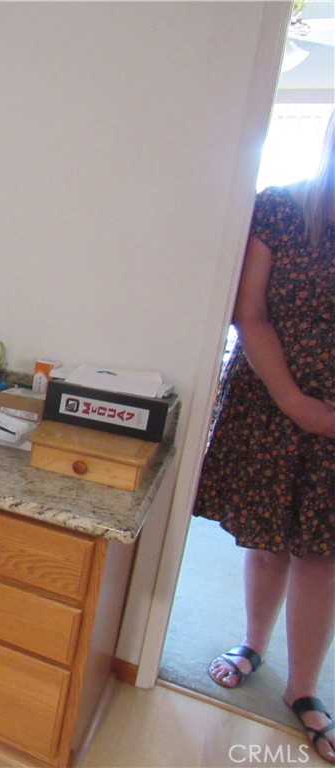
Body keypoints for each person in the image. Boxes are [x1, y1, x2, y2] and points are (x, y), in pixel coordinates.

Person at [193, 111, 335, 764]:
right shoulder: (279, 209)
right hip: (271, 400)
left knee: (323, 552)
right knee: (268, 538)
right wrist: (293, 400)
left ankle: (304, 689)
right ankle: (251, 644)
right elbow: (247, 311)